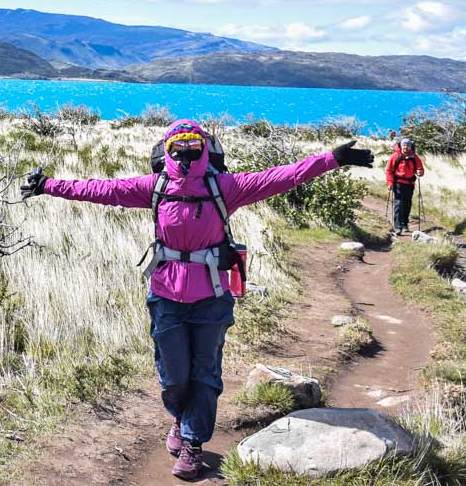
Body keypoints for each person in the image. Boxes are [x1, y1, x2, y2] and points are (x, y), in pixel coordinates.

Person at [21, 119, 373, 481]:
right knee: (173, 377)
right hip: (164, 297)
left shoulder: (226, 187)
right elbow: (102, 189)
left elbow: (283, 175)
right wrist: (48, 185)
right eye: (179, 142)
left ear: (206, 148)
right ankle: (180, 418)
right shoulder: (154, 187)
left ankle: (192, 444)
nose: (186, 149)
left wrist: (332, 158)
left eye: (194, 142)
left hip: (212, 298)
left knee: (205, 373)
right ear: (166, 149)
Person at [386, 137, 425, 236]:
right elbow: (389, 171)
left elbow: (420, 169)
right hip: (398, 182)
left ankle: (405, 223)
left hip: (410, 183)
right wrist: (390, 183)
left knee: (407, 204)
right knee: (398, 203)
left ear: (410, 146)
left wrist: (420, 172)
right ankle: (397, 227)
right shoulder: (395, 156)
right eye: (404, 145)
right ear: (401, 146)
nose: (405, 147)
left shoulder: (414, 157)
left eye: (407, 145)